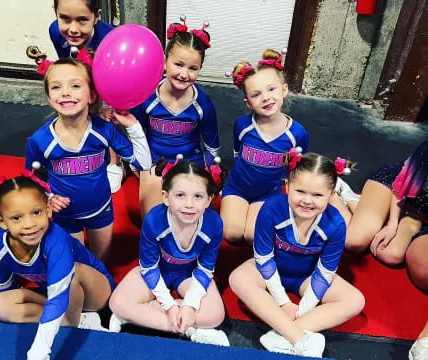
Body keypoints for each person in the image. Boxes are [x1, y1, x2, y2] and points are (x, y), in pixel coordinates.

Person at [229, 152, 365, 357]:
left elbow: (326, 270)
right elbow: (264, 258)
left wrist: (301, 308)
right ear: (287, 186)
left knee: (355, 300)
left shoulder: (335, 223)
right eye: (300, 191)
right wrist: (283, 302)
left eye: (318, 195)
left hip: (307, 277)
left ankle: (282, 335)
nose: (307, 201)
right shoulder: (272, 209)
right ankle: (300, 338)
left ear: (331, 195)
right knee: (238, 278)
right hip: (269, 269)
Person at [25, 57, 151, 261]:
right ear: (49, 97)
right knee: (77, 266)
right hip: (65, 216)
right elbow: (30, 179)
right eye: (56, 87)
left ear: (92, 95)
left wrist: (133, 127)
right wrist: (48, 199)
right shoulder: (40, 141)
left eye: (75, 85)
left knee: (100, 264)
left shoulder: (103, 131)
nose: (65, 92)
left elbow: (144, 164)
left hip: (101, 210)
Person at [0, 166, 115, 360]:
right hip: (53, 294)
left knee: (73, 273)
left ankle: (73, 320)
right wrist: (10, 303)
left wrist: (39, 351)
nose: (29, 224)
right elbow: (4, 280)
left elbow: (60, 293)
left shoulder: (56, 240)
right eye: (17, 218)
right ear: (2, 222)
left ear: (48, 210)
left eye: (36, 212)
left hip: (94, 292)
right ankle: (74, 320)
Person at [108, 157, 230, 346]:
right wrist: (171, 306)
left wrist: (189, 305)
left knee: (215, 314)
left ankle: (141, 315)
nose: (189, 204)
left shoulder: (213, 224)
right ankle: (188, 329)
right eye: (180, 195)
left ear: (209, 200)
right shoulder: (154, 220)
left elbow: (205, 269)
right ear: (166, 197)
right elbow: (148, 267)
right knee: (117, 302)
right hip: (157, 271)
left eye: (198, 196)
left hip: (188, 275)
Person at [131, 16, 220, 217]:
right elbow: (135, 130)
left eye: (192, 68)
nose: (184, 74)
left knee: (189, 213)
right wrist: (139, 162)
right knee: (153, 216)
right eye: (178, 64)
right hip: (155, 161)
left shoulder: (202, 103)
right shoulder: (148, 96)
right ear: (164, 62)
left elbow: (211, 145)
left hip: (189, 161)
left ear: (200, 70)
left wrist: (212, 173)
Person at [220, 49, 309, 246]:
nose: (266, 97)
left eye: (271, 89)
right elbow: (237, 154)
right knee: (232, 234)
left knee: (252, 236)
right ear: (248, 103)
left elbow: (296, 168)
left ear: (284, 90)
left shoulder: (297, 134)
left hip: (268, 192)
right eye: (256, 94)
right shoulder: (242, 126)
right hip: (238, 188)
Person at [49, 0, 124, 193]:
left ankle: (115, 163)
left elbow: (116, 80)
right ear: (55, 12)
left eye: (82, 20)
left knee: (108, 117)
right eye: (65, 18)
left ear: (97, 16)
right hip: (82, 72)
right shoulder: (55, 31)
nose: (73, 29)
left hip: (113, 78)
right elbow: (67, 64)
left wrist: (108, 105)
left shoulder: (111, 38)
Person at [345, 140, 428, 268]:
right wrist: (392, 224)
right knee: (354, 242)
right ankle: (346, 196)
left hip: (417, 211)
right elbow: (401, 188)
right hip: (394, 184)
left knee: (390, 254)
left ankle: (380, 216)